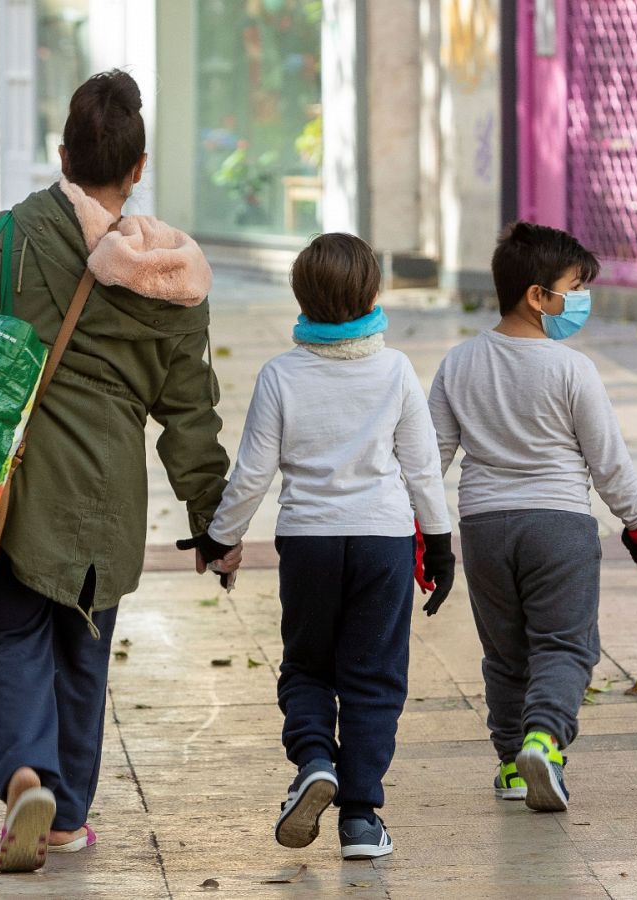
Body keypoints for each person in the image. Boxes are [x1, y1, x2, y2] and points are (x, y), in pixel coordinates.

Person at [0, 70, 231, 872]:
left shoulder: (12, 235)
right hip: (107, 499)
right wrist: (211, 521)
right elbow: (189, 411)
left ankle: (26, 775)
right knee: (82, 652)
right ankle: (66, 818)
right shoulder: (174, 277)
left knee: (4, 638)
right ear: (138, 166)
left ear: (62, 153)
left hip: (12, 488)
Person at [199, 233, 455, 861]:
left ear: (300, 297)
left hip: (309, 544)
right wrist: (442, 546)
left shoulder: (281, 374)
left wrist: (221, 538)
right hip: (384, 541)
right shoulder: (394, 370)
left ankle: (316, 758)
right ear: (372, 293)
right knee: (373, 676)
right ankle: (362, 818)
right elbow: (422, 469)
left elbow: (253, 473)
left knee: (309, 664)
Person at [427, 222, 637, 813]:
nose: (581, 298)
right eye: (575, 286)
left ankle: (513, 763)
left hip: (484, 528)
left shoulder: (459, 362)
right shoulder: (572, 369)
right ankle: (544, 740)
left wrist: (418, 528)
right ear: (538, 295)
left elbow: (428, 459)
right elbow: (609, 463)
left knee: (505, 652)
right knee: (565, 647)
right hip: (559, 525)